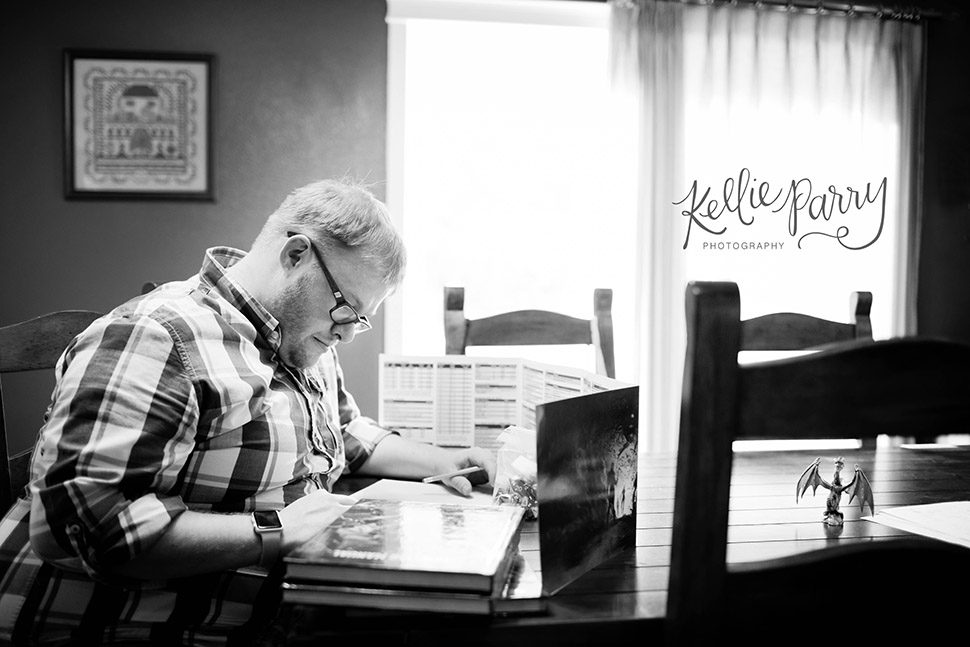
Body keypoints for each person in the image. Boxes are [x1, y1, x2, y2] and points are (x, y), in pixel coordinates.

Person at [0, 179, 495, 645]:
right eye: (346, 309)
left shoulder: (303, 337)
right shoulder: (158, 336)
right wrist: (279, 530)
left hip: (275, 607)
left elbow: (344, 431)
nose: (347, 333)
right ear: (296, 254)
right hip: (124, 624)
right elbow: (88, 529)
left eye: (359, 320)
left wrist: (442, 461)